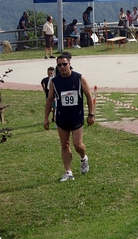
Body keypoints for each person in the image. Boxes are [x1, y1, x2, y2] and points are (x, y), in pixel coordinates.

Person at [44, 54, 94, 182]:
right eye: (59, 65)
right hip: (62, 117)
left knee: (77, 145)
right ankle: (68, 172)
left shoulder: (79, 78)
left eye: (64, 64)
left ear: (69, 64)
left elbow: (89, 96)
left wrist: (91, 114)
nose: (62, 67)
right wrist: (46, 118)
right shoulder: (54, 82)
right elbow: (49, 100)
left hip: (76, 116)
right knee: (65, 145)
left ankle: (83, 158)